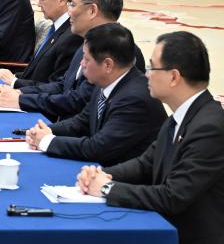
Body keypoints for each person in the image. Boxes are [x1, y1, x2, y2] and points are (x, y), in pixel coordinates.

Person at [76, 32, 224, 244]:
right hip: (169, 234)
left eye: (152, 68)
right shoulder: (180, 117)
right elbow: (145, 164)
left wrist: (107, 189)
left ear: (174, 77)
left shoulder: (209, 127)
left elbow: (173, 196)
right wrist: (102, 174)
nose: (146, 75)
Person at [0, 0, 144, 121]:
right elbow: (62, 86)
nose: (69, 11)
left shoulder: (119, 51)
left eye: (73, 4)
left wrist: (21, 100)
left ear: (92, 10)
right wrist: (19, 92)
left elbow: (77, 101)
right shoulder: (87, 42)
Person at [25, 23, 165, 165]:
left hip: (120, 174)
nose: (82, 63)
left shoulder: (134, 99)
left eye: (86, 59)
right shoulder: (106, 82)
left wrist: (47, 141)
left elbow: (98, 148)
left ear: (107, 65)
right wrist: (42, 131)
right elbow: (81, 122)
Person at [0, 0, 82, 88]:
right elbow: (36, 73)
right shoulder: (56, 28)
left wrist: (14, 82)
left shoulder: (72, 36)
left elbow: (56, 86)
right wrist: (12, 76)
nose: (38, 4)